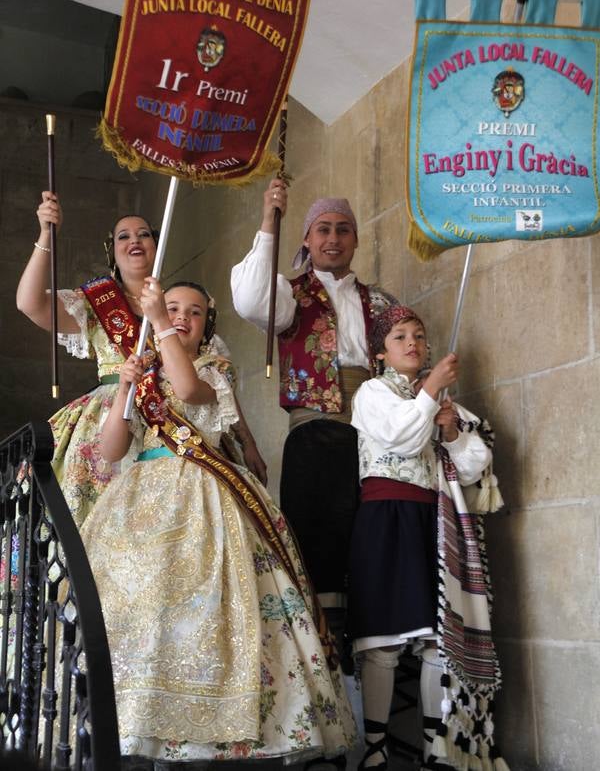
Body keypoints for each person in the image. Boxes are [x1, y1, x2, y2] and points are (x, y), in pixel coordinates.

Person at [79, 279, 357, 765]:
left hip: (201, 494)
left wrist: (160, 327)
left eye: (195, 312)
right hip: (140, 497)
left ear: (208, 328)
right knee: (141, 611)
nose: (183, 316)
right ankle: (136, 725)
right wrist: (125, 385)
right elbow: (111, 449)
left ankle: (216, 734)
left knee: (204, 606)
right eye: (171, 308)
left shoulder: (212, 369)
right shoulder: (140, 375)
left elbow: (187, 389)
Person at [15, 192, 266, 526]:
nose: (134, 241)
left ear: (156, 246)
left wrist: (247, 441)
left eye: (143, 234)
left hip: (178, 428)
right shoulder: (95, 303)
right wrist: (47, 234)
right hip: (113, 416)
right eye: (124, 236)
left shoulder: (178, 306)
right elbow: (29, 304)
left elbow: (218, 385)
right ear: (112, 251)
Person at [230, 181, 398, 663]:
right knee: (318, 544)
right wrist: (269, 218)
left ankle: (373, 655)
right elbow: (250, 301)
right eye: (322, 229)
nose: (333, 238)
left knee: (367, 540)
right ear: (305, 238)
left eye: (344, 230)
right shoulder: (288, 293)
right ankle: (325, 659)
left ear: (356, 240)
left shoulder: (379, 302)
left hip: (371, 432)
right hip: (316, 432)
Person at [348, 305, 507, 771]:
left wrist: (454, 430)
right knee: (381, 640)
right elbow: (400, 437)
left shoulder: (439, 400)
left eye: (418, 334)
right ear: (380, 352)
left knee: (437, 639)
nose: (412, 343)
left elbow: (476, 465)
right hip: (384, 516)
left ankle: (437, 748)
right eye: (399, 337)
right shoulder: (371, 392)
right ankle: (376, 747)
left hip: (434, 522)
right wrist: (433, 390)